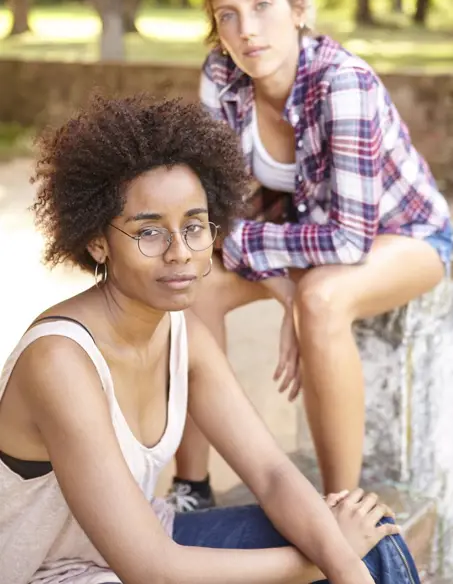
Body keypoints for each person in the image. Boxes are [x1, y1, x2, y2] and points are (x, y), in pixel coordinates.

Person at [0, 94, 421, 584]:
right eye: (149, 232)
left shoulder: (185, 337)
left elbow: (271, 473)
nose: (180, 252)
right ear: (98, 241)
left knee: (374, 536)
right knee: (335, 547)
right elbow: (153, 569)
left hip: (130, 550)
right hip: (52, 575)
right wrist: (322, 560)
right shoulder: (60, 362)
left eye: (195, 227)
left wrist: (346, 560)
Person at [167, 0, 453, 509]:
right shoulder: (222, 76)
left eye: (263, 4)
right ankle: (190, 486)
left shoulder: (342, 82)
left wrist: (295, 292)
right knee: (192, 286)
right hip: (304, 235)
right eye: (228, 14)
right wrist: (282, 286)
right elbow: (215, 209)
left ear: (299, 9)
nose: (247, 28)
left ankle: (340, 507)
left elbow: (349, 239)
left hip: (407, 235)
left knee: (321, 300)